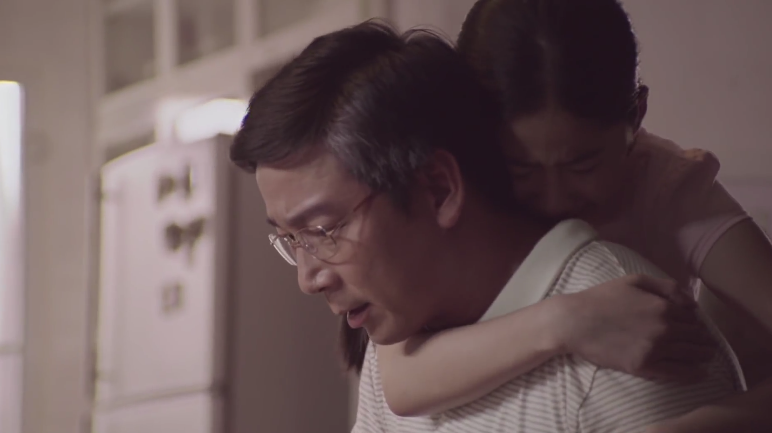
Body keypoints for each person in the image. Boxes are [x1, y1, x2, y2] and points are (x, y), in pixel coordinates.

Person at [229, 21, 744, 433]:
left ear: (439, 190)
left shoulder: (632, 340)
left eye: (322, 229)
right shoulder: (400, 330)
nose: (308, 278)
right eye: (291, 238)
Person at [369, 0, 772, 431]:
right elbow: (402, 382)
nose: (553, 198)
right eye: (521, 167)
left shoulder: (670, 190)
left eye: (583, 165)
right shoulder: (458, 184)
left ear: (636, 115)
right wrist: (567, 321)